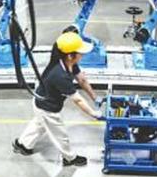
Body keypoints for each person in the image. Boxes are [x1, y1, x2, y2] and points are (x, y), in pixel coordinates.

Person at [13, 32, 102, 167]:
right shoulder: (59, 75)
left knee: (39, 124)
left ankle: (23, 145)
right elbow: (77, 100)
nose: (83, 55)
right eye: (80, 53)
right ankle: (69, 158)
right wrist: (94, 114)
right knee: (61, 135)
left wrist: (95, 97)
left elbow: (82, 79)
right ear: (70, 55)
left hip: (41, 102)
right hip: (47, 108)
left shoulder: (68, 62)